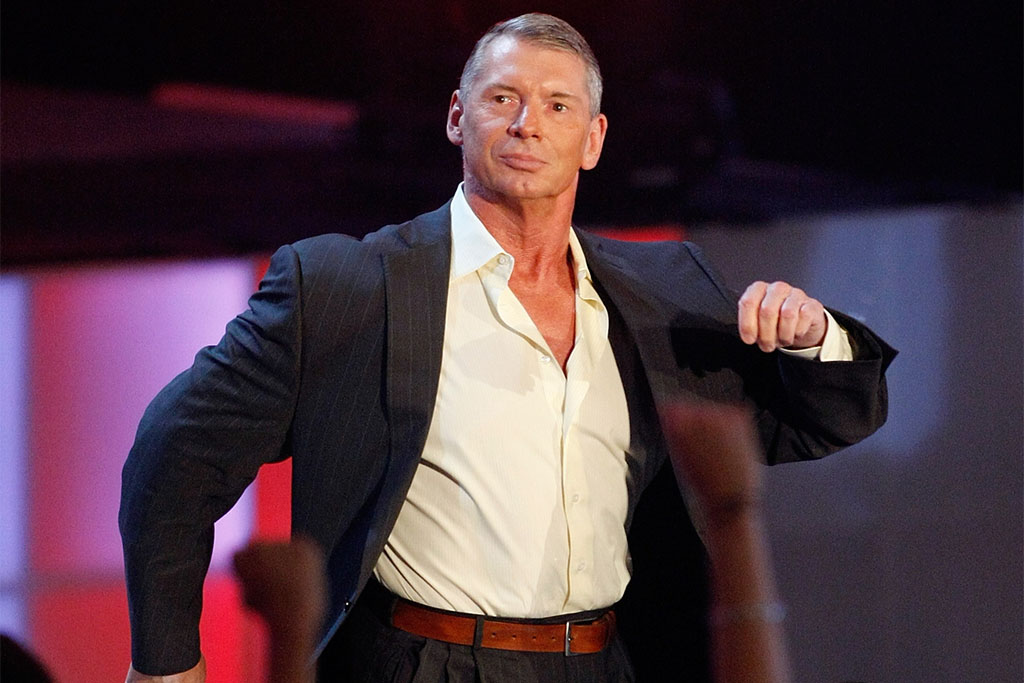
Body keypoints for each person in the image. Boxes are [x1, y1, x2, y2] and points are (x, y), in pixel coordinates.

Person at [120, 13, 896, 682]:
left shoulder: (662, 288)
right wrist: (166, 659)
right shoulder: (345, 285)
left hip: (602, 659)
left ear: (591, 140)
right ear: (459, 118)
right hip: (421, 660)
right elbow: (175, 455)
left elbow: (818, 421)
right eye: (504, 98)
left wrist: (813, 334)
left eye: (557, 105)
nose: (528, 122)